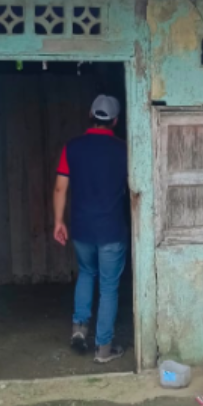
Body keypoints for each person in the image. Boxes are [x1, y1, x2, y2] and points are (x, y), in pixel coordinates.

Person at [53, 94, 130, 364]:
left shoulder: (72, 147)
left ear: (90, 115)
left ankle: (79, 328)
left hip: (82, 228)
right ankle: (104, 348)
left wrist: (58, 221)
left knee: (86, 272)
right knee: (108, 287)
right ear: (115, 121)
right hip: (111, 229)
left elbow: (60, 187)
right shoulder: (125, 150)